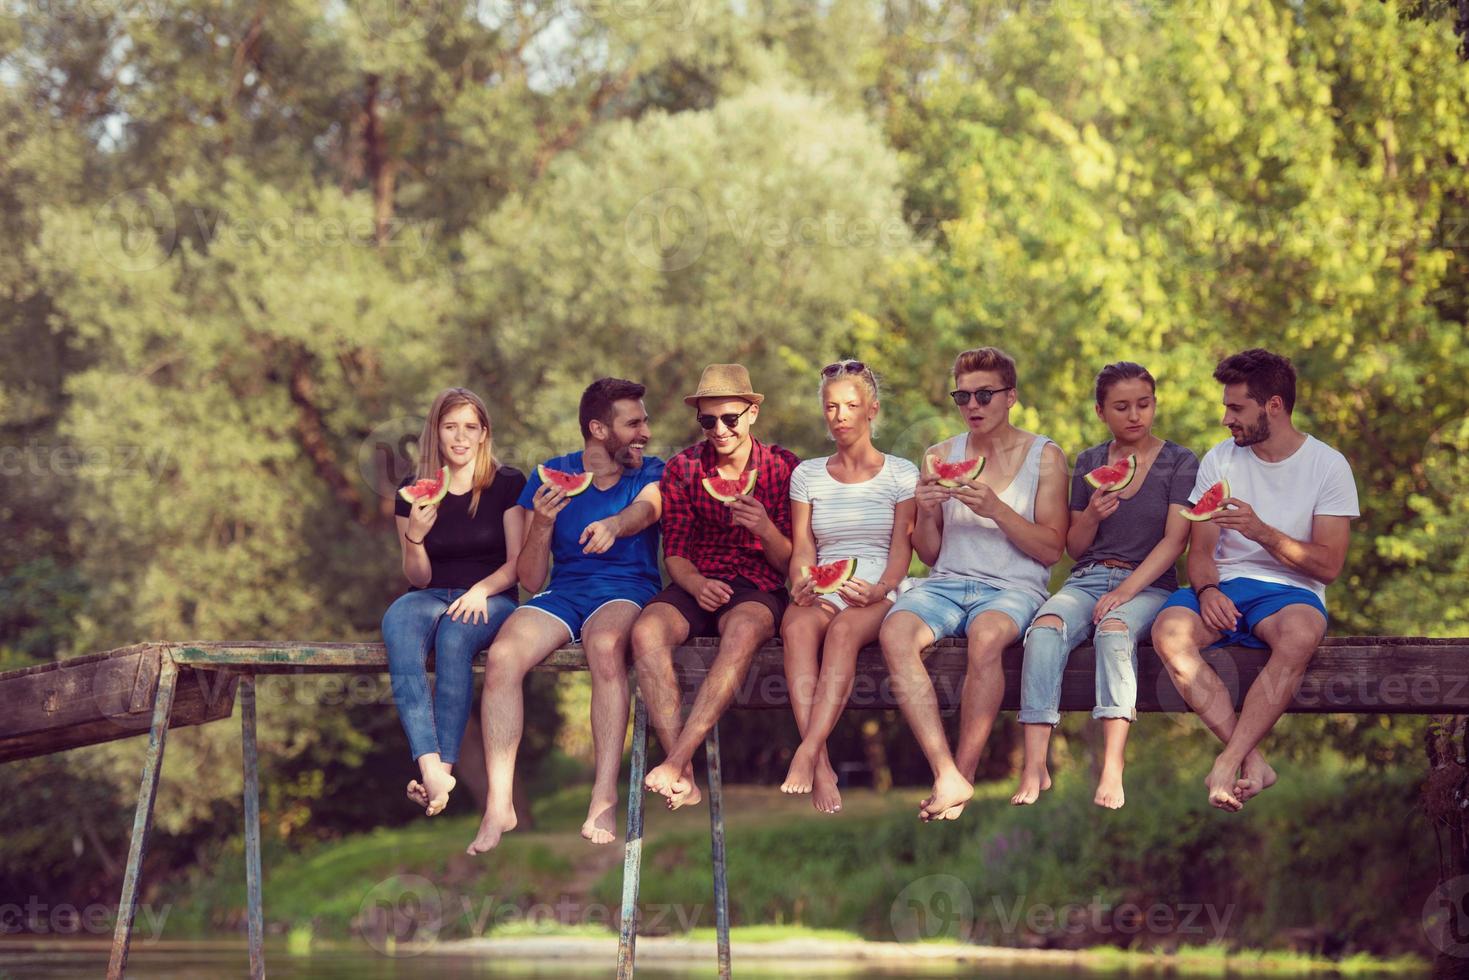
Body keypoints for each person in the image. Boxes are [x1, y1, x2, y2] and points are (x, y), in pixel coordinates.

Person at [1151, 349, 1357, 812]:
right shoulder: (1219, 460)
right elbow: (1200, 552)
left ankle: (1227, 761)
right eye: (1226, 407)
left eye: (1236, 408)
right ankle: (1250, 759)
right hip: (1225, 586)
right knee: (1168, 633)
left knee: (1302, 634)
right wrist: (1206, 591)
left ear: (1274, 406)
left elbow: (1328, 566)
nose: (1226, 419)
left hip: (1292, 595)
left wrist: (1260, 530)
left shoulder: (1328, 466)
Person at [465, 378, 663, 854]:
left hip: (626, 590)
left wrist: (616, 524)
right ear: (598, 428)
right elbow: (532, 579)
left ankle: (602, 793)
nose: (646, 432)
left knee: (604, 645)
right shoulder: (550, 475)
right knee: (503, 657)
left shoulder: (653, 470)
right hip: (564, 592)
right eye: (633, 423)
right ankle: (499, 802)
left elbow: (648, 509)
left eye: (645, 421)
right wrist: (544, 524)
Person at [879, 346, 1069, 822]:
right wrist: (924, 509)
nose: (972, 406)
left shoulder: (1045, 457)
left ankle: (962, 772)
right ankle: (946, 772)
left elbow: (1051, 550)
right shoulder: (939, 455)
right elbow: (928, 553)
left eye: (984, 394)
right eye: (962, 396)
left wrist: (997, 510)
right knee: (895, 635)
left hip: (1014, 587)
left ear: (1011, 397)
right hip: (945, 583)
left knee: (987, 638)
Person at [1011, 362, 1198, 810]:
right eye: (1122, 406)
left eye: (1144, 404)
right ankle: (1035, 763)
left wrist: (1126, 591)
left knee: (1114, 635)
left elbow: (1175, 542)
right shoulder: (1091, 462)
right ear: (1100, 411)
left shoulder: (1180, 461)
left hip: (1149, 585)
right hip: (1089, 577)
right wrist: (1092, 514)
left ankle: (1113, 765)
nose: (1135, 415)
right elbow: (1075, 546)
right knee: (1043, 630)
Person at [633, 363, 799, 808]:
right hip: (696, 581)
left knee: (743, 630)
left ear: (752, 414)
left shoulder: (784, 469)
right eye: (708, 420)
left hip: (758, 584)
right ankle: (682, 772)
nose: (720, 429)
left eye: (730, 418)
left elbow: (790, 564)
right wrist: (696, 582)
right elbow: (676, 552)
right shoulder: (683, 469)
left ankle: (677, 760)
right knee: (646, 631)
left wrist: (765, 528)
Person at [780, 360, 917, 814]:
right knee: (796, 627)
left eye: (851, 405)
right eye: (831, 406)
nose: (840, 415)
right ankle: (821, 766)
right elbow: (803, 546)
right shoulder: (807, 474)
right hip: (823, 586)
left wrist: (882, 589)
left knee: (842, 634)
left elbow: (903, 550)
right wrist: (802, 583)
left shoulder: (901, 473)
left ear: (872, 410)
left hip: (878, 587)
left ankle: (806, 750)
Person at [383, 387, 526, 818]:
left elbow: (518, 565)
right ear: (436, 433)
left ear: (484, 433)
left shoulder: (508, 484)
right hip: (428, 594)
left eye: (469, 427)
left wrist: (481, 589)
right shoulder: (412, 491)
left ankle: (440, 770)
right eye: (450, 427)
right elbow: (418, 576)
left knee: (453, 638)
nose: (460, 437)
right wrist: (416, 536)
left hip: (492, 596)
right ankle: (431, 769)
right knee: (397, 624)